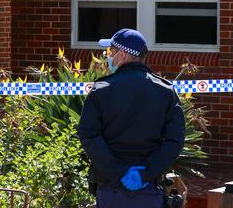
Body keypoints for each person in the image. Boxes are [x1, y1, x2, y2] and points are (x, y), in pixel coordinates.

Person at [78, 28, 185, 208]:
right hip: (149, 189)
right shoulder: (166, 91)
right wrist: (145, 173)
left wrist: (118, 172)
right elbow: (175, 140)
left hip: (110, 189)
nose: (108, 56)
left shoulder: (101, 90)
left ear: (123, 55)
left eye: (111, 51)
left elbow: (88, 135)